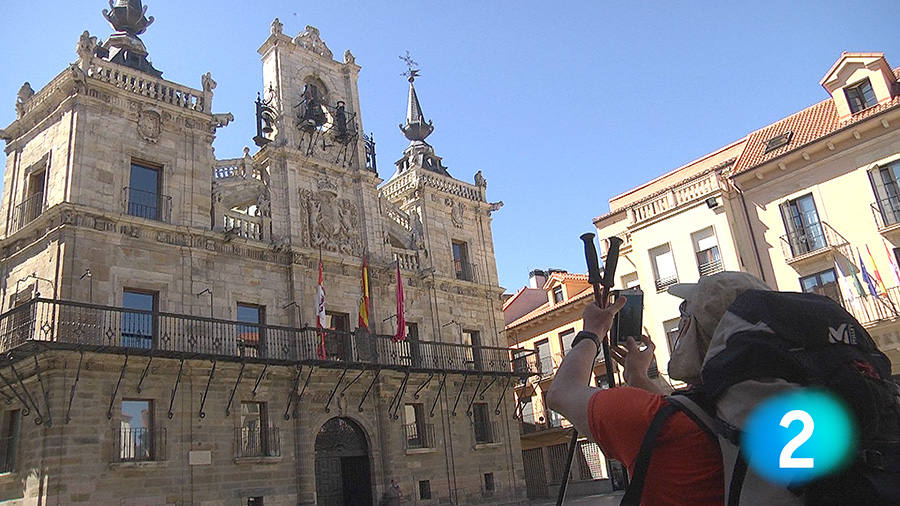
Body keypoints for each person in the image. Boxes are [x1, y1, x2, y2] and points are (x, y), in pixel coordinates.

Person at [547, 271, 771, 505]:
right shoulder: (770, 409)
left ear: (696, 331)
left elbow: (562, 393)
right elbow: (685, 411)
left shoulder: (657, 423)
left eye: (685, 312)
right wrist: (638, 377)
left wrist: (592, 332)